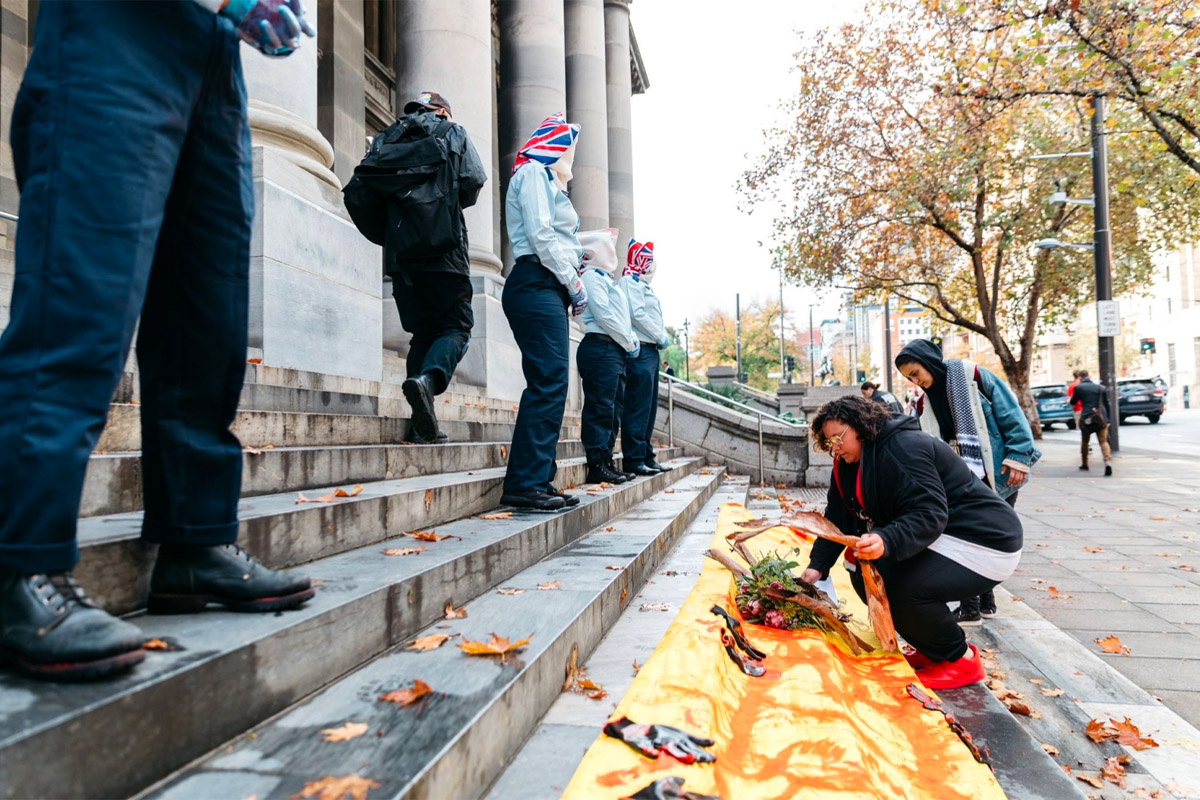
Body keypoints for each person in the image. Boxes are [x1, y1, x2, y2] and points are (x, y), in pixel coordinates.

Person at [0, 0, 317, 682]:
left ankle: (195, 544)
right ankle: (17, 562)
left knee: (206, 315)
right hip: (113, 30)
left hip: (212, 57)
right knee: (78, 307)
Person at [801, 396, 1023, 689]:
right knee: (861, 571)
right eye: (828, 443)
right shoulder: (847, 463)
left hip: (985, 541)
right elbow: (838, 516)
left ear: (861, 426)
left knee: (904, 587)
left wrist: (886, 538)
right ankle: (934, 650)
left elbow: (929, 513)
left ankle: (960, 659)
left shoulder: (903, 448)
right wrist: (817, 567)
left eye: (838, 438)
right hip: (944, 537)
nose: (835, 448)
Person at [894, 339, 1039, 626]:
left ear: (928, 361)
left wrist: (1019, 456)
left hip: (997, 470)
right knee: (972, 535)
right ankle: (980, 603)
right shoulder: (924, 401)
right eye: (909, 377)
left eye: (915, 372)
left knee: (986, 534)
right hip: (960, 479)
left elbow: (1010, 413)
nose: (915, 380)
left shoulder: (971, 376)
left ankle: (973, 606)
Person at [382, 92, 487, 443]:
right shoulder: (451, 131)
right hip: (444, 251)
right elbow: (473, 180)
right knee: (457, 327)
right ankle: (429, 382)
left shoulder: (389, 136)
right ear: (442, 110)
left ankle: (419, 425)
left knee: (423, 334)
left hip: (401, 255)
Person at [501, 113, 588, 511]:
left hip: (544, 286)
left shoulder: (542, 179)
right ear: (553, 147)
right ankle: (525, 482)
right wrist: (573, 281)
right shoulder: (534, 173)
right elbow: (540, 234)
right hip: (536, 283)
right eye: (569, 147)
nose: (573, 156)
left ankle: (537, 478)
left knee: (551, 383)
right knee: (549, 382)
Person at [575, 228, 638, 485]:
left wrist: (627, 340)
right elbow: (602, 313)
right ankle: (596, 463)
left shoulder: (607, 280)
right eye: (608, 247)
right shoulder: (592, 277)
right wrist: (628, 339)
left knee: (613, 409)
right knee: (600, 407)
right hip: (601, 346)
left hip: (613, 349)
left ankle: (607, 460)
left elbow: (619, 316)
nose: (613, 251)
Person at [619, 239, 671, 476]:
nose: (653, 266)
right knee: (637, 407)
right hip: (639, 350)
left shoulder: (643, 285)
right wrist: (661, 335)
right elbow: (637, 314)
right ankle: (633, 459)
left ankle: (646, 454)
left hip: (650, 350)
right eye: (649, 260)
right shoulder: (630, 282)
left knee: (648, 408)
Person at [1072, 370, 1113, 476]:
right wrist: (1108, 419)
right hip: (1100, 417)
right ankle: (1107, 462)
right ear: (1088, 376)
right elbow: (1106, 404)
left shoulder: (1079, 388)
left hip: (1087, 418)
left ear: (1080, 377)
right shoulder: (1100, 388)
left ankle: (1085, 464)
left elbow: (1073, 402)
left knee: (1085, 442)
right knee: (1103, 441)